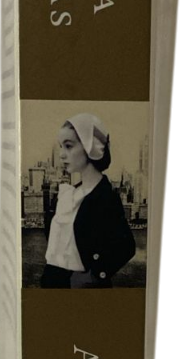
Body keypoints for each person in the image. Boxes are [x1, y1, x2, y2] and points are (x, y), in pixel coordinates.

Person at [40, 113, 136, 288]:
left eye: (69, 146)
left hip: (80, 291)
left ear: (90, 146)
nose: (61, 155)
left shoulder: (105, 197)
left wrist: (94, 275)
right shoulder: (68, 194)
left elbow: (126, 247)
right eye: (61, 147)